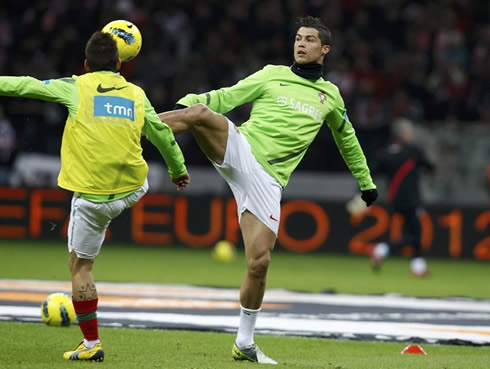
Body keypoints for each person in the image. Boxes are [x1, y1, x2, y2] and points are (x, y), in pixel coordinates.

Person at [158, 16, 377, 364]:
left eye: (309, 40)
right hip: (242, 149)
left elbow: (346, 139)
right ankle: (134, 128)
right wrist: (189, 101)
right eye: (297, 38)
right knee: (198, 112)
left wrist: (366, 183)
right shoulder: (272, 73)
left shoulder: (330, 96)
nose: (301, 44)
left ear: (325, 49)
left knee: (259, 263)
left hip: (269, 181)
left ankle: (244, 342)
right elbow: (228, 96)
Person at [0, 31, 190, 361]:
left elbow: (24, 85)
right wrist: (178, 170)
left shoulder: (76, 86)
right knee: (95, 238)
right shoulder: (136, 94)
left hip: (92, 200)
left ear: (86, 65)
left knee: (81, 267)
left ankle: (91, 345)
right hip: (134, 189)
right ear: (120, 64)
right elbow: (161, 133)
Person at [369, 118, 435, 277]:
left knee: (413, 232)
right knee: (415, 235)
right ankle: (382, 250)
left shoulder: (383, 153)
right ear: (404, 133)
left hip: (395, 199)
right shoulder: (413, 151)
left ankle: (418, 267)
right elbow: (430, 167)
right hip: (411, 198)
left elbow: (371, 172)